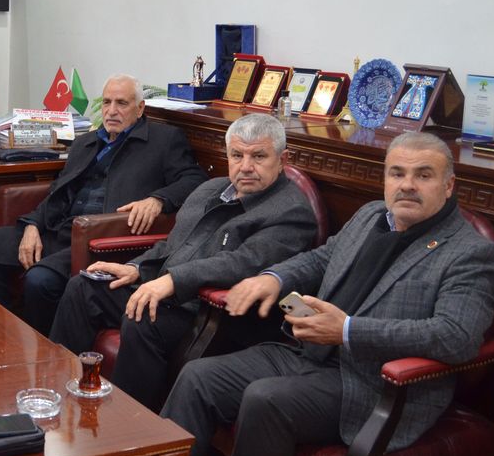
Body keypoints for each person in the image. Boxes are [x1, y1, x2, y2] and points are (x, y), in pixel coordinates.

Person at [162, 132, 494, 456]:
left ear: (448, 185)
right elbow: (321, 259)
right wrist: (273, 277)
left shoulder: (472, 252)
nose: (407, 185)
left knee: (266, 399)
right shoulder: (370, 216)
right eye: (397, 173)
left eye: (423, 175)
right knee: (198, 377)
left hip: (372, 382)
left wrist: (347, 330)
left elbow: (456, 337)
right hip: (307, 352)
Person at [48, 113, 316, 410]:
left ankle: (127, 422)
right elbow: (173, 244)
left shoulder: (291, 211)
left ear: (282, 159)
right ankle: (58, 396)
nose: (246, 166)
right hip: (168, 294)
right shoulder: (210, 190)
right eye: (237, 155)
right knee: (83, 288)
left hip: (215, 314)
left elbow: (243, 263)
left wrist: (173, 280)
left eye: (259, 156)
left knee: (142, 317)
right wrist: (135, 268)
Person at [0, 74, 207, 335]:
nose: (111, 111)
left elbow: (194, 179)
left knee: (40, 280)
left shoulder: (163, 140)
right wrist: (32, 225)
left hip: (99, 238)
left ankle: (43, 348)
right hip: (59, 229)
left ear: (140, 108)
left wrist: (158, 199)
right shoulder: (87, 142)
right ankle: (0, 334)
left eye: (121, 103)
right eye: (106, 102)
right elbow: (58, 191)